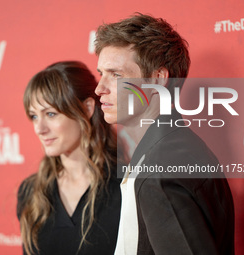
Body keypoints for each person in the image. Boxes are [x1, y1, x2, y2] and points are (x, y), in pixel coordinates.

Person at [94, 13, 235, 254]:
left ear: (158, 79)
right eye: (101, 73)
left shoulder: (161, 170)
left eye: (116, 75)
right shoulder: (173, 148)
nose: (99, 89)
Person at [16, 61, 121, 255]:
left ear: (88, 108)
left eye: (50, 114)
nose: (40, 129)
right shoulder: (31, 192)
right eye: (34, 116)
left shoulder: (127, 186)